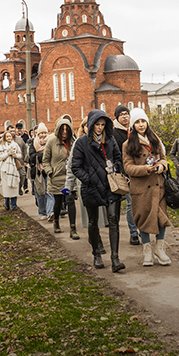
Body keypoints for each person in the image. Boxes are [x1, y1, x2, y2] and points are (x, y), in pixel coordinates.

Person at [70, 110, 126, 272]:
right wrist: (89, 179)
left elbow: (118, 158)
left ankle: (115, 258)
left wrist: (115, 170)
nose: (100, 128)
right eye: (97, 124)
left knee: (113, 220)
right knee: (93, 222)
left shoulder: (110, 141)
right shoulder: (81, 143)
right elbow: (76, 167)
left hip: (111, 186)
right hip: (91, 187)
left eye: (102, 125)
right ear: (91, 125)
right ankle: (96, 254)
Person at [122, 107, 172, 267]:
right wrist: (145, 169)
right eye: (137, 122)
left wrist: (162, 165)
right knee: (143, 218)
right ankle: (147, 251)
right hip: (141, 189)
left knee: (161, 217)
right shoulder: (128, 144)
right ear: (133, 125)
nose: (141, 124)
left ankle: (159, 248)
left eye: (143, 121)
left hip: (158, 186)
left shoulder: (155, 139)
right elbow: (128, 167)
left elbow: (164, 158)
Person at [112, 104, 141, 245]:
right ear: (117, 117)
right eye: (121, 114)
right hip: (125, 174)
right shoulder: (114, 133)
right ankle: (133, 233)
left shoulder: (135, 130)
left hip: (140, 172)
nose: (125, 116)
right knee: (131, 203)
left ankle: (143, 229)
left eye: (126, 113)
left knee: (141, 202)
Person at [43, 118, 75, 234]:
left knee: (71, 202)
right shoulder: (52, 142)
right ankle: (56, 221)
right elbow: (45, 160)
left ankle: (73, 227)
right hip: (56, 177)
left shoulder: (73, 142)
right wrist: (50, 171)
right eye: (62, 129)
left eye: (67, 129)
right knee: (58, 202)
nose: (65, 132)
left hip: (70, 178)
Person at [29, 123, 55, 220]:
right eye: (41, 133)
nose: (43, 135)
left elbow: (53, 155)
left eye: (45, 133)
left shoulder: (51, 142)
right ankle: (42, 212)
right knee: (40, 193)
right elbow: (32, 157)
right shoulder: (33, 143)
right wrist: (44, 156)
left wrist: (40, 156)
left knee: (50, 192)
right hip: (38, 172)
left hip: (49, 170)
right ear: (38, 134)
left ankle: (50, 213)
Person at [0, 129, 23, 211]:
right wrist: (7, 154)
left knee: (14, 186)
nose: (9, 138)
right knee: (6, 187)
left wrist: (15, 155)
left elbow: (20, 154)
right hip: (5, 169)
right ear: (4, 137)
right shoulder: (2, 146)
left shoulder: (15, 145)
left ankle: (14, 204)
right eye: (7, 136)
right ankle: (6, 203)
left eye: (10, 136)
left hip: (14, 168)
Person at [11, 124, 29, 196]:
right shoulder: (5, 140)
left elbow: (25, 149)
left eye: (13, 131)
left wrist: (25, 160)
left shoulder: (20, 139)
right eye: (10, 131)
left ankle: (20, 187)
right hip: (10, 162)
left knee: (23, 175)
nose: (12, 132)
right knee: (14, 177)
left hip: (20, 161)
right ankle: (13, 192)